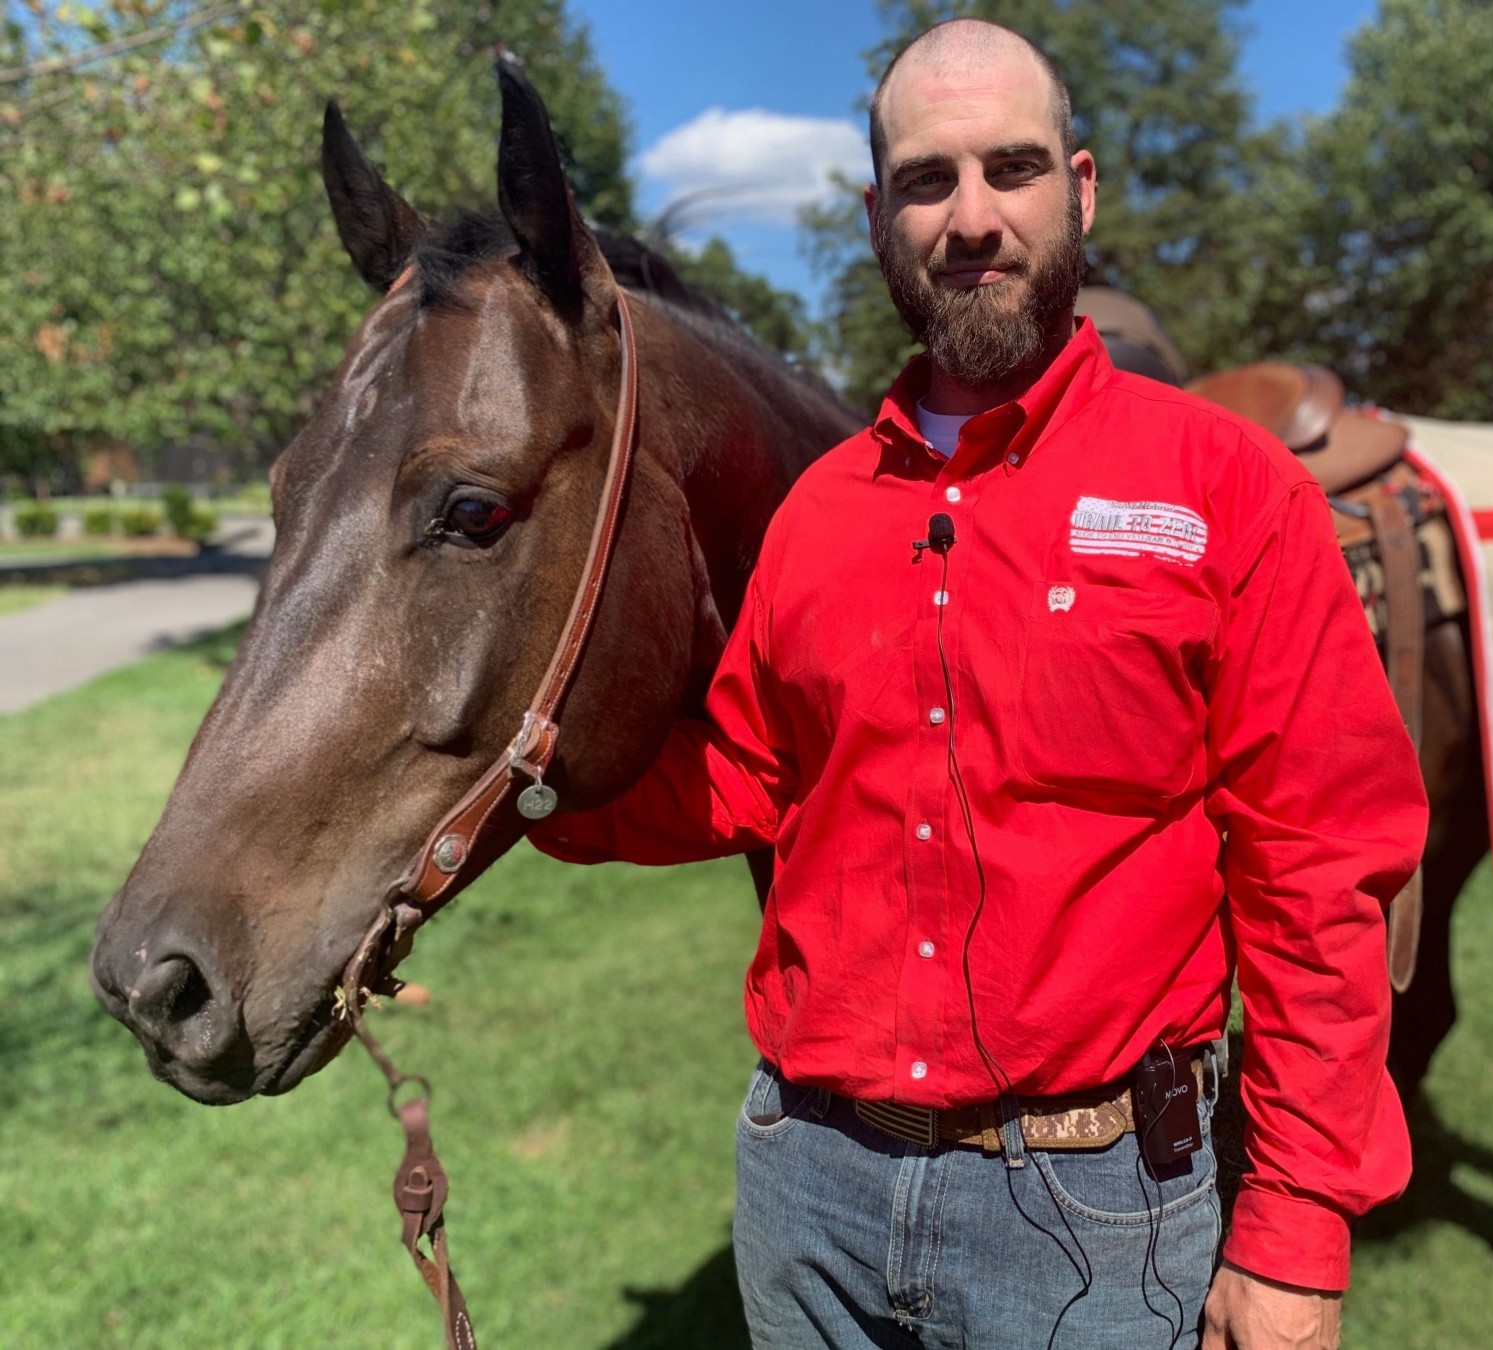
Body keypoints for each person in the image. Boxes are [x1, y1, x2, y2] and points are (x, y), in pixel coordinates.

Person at [531, 19, 1425, 1349]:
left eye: (1011, 168)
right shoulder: (819, 515)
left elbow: (1318, 866)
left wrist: (1295, 1221)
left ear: (1081, 185)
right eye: (926, 180)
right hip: (808, 1188)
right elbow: (745, 773)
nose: (972, 218)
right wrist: (514, 790)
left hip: (1095, 1210)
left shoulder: (1226, 489)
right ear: (877, 216)